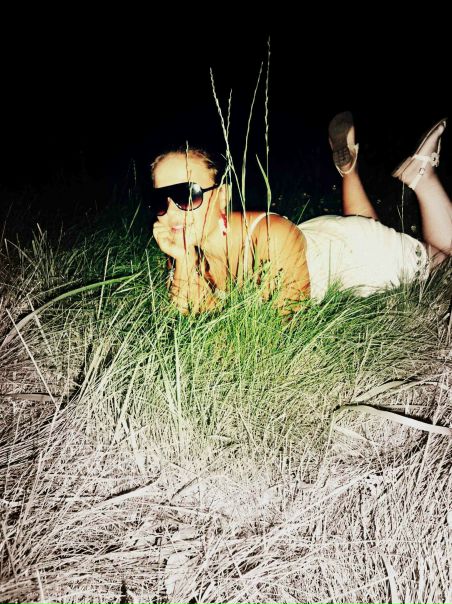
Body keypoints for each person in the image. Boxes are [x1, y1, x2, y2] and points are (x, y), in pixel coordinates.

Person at [151, 113, 451, 314]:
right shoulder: (189, 245)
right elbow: (194, 321)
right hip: (324, 238)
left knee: (443, 262)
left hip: (359, 251)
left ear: (223, 196)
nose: (172, 212)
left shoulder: (268, 238)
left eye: (186, 194)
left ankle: (422, 176)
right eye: (160, 200)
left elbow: (282, 329)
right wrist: (184, 260)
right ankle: (349, 172)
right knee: (364, 226)